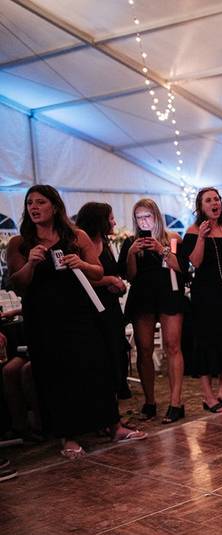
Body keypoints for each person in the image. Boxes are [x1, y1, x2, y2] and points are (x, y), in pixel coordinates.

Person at [6, 185, 145, 459]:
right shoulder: (19, 243)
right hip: (43, 319)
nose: (34, 207)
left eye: (40, 202)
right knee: (55, 375)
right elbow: (16, 284)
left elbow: (98, 271)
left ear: (54, 206)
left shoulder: (75, 236)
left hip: (80, 314)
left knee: (96, 365)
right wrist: (30, 264)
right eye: (30, 203)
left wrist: (81, 264)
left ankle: (112, 424)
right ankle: (67, 435)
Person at [120, 198, 188, 424]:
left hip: (169, 293)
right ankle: (149, 402)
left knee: (172, 345)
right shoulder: (130, 242)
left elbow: (181, 268)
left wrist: (162, 250)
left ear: (156, 216)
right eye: (139, 217)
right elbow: (129, 276)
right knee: (144, 347)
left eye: (147, 216)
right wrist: (131, 253)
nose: (143, 221)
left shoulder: (172, 238)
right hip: (143, 296)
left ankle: (176, 402)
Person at [182, 187, 222, 413]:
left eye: (216, 199)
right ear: (201, 207)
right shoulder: (193, 230)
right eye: (209, 200)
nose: (214, 203)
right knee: (206, 342)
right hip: (204, 294)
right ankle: (207, 395)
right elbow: (195, 263)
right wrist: (201, 238)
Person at [74, 202, 131, 399]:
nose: (114, 222)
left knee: (117, 348)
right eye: (110, 218)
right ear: (99, 221)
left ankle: (117, 392)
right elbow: (80, 278)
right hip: (90, 306)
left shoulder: (105, 243)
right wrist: (109, 280)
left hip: (111, 305)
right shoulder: (80, 243)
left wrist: (118, 284)